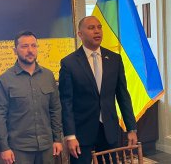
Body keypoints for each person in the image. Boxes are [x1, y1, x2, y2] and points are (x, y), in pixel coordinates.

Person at [58, 16, 138, 164]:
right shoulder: (69, 63)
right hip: (81, 133)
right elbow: (66, 102)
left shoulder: (114, 59)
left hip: (109, 131)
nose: (97, 31)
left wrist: (131, 128)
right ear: (80, 34)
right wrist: (70, 136)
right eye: (91, 28)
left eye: (99, 27)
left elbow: (123, 96)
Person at [0, 30, 63, 164]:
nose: (30, 50)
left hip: (47, 147)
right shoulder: (5, 80)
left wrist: (57, 139)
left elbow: (55, 109)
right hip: (19, 150)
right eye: (24, 46)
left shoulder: (48, 76)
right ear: (15, 50)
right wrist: (4, 147)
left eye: (33, 46)